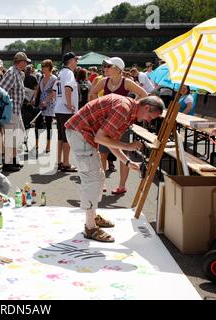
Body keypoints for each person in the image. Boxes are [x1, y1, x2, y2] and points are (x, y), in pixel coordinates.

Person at [65, 95, 164, 242]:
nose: (149, 121)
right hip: (80, 134)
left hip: (82, 133)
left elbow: (111, 142)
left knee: (99, 178)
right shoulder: (123, 109)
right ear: (147, 107)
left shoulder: (128, 112)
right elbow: (101, 138)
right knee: (92, 180)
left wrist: (128, 162)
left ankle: (92, 216)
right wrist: (128, 146)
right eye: (150, 116)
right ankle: (90, 227)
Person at [90, 57, 148, 194]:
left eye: (108, 66)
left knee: (123, 153)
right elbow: (92, 93)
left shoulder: (126, 82)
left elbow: (144, 94)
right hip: (105, 123)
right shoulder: (104, 81)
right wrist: (99, 106)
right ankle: (102, 182)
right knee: (102, 153)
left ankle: (122, 186)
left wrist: (130, 104)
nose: (105, 68)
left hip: (122, 123)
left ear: (116, 68)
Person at [0, 52, 31, 172]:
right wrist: (8, 105)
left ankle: (13, 159)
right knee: (10, 136)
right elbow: (2, 90)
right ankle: (8, 162)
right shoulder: (12, 73)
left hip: (16, 110)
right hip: (11, 110)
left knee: (17, 136)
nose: (26, 64)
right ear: (21, 62)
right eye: (25, 62)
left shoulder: (17, 73)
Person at [53, 52, 80, 172]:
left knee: (60, 137)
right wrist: (69, 104)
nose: (77, 62)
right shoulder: (69, 73)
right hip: (66, 110)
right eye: (76, 60)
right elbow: (68, 88)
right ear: (70, 61)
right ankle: (66, 163)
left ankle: (59, 161)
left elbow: (54, 91)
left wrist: (59, 101)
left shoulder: (60, 73)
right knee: (67, 138)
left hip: (59, 109)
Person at [31, 59, 56, 155]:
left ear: (49, 67)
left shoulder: (54, 78)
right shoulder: (41, 77)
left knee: (49, 125)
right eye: (42, 66)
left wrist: (47, 101)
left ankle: (48, 145)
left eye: (44, 66)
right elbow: (37, 89)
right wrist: (34, 98)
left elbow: (53, 92)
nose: (42, 68)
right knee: (37, 123)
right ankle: (36, 144)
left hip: (49, 103)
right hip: (41, 102)